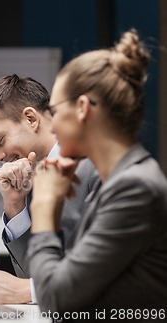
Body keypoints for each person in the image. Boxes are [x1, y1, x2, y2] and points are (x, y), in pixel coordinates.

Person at [28, 29, 167, 315]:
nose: (51, 127)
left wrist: (43, 206)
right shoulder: (119, 182)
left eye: (54, 111)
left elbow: (56, 300)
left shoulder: (135, 188)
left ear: (82, 108)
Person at [0, 75, 99, 304]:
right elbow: (32, 275)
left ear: (31, 118)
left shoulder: (96, 163)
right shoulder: (31, 179)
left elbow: (110, 266)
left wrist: (29, 291)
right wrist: (14, 206)